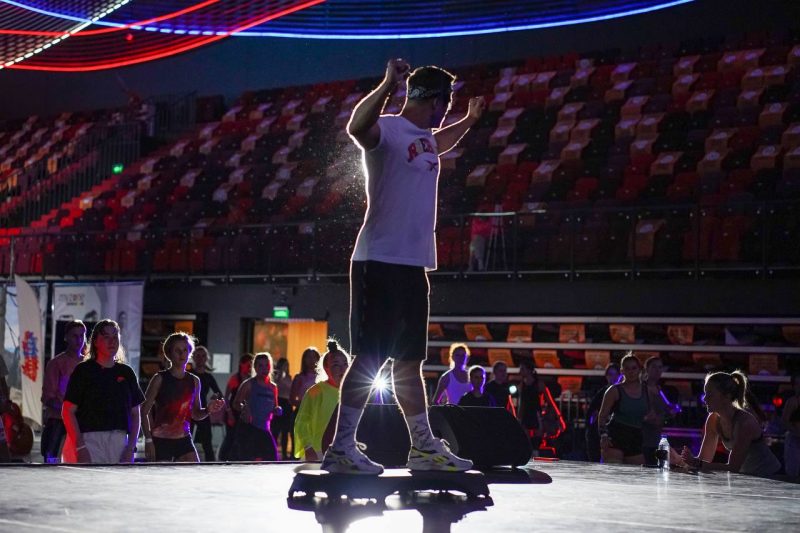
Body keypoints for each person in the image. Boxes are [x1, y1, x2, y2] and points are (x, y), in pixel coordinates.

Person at [321, 58, 485, 475]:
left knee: (409, 361)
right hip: (378, 260)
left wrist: (467, 121)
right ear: (427, 99)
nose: (445, 111)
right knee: (369, 359)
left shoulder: (427, 139)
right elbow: (355, 128)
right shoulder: (389, 129)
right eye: (444, 104)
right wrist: (387, 84)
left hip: (413, 266)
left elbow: (439, 143)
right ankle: (341, 447)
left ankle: (423, 447)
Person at [61, 319, 144, 464]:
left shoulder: (126, 372)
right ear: (95, 342)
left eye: (115, 336)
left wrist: (130, 447)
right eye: (106, 337)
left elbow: (136, 414)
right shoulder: (83, 371)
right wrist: (80, 447)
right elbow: (68, 411)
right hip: (90, 439)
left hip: (119, 440)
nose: (112, 341)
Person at [141, 333, 224, 462]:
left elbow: (195, 414)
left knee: (193, 476)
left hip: (184, 439)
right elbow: (143, 410)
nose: (181, 353)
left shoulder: (194, 380)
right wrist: (148, 440)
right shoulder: (160, 378)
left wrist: (208, 410)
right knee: (162, 480)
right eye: (177, 350)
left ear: (189, 352)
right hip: (162, 440)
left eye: (185, 350)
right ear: (169, 354)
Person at [680, 371, 781, 477]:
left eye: (710, 394)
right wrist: (682, 461)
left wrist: (696, 463)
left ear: (726, 396)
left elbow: (733, 468)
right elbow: (704, 459)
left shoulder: (744, 423)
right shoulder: (713, 419)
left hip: (772, 476)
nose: (705, 399)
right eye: (705, 394)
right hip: (749, 477)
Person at [294, 340, 351, 461]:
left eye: (345, 364)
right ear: (326, 368)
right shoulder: (316, 391)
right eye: (336, 365)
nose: (342, 368)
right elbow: (301, 422)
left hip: (345, 452)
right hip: (317, 452)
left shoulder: (353, 393)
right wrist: (308, 448)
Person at [41, 321, 88, 462]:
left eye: (82, 336)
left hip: (83, 420)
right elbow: (48, 397)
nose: (79, 340)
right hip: (59, 419)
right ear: (66, 337)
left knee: (83, 460)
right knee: (52, 460)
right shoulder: (56, 363)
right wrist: (68, 411)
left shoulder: (88, 364)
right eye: (74, 336)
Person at [597, 353, 651, 465]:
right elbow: (602, 416)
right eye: (627, 368)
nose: (631, 372)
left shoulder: (647, 390)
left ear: (640, 369)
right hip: (616, 436)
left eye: (634, 368)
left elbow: (657, 412)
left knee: (636, 477)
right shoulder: (614, 390)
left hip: (636, 436)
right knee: (614, 475)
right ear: (622, 371)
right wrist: (604, 436)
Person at [233, 352, 282, 461]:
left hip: (265, 429)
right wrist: (244, 409)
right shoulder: (249, 384)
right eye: (260, 365)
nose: (264, 368)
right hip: (249, 428)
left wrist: (277, 410)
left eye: (267, 365)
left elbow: (275, 406)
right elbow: (236, 403)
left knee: (272, 459)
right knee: (248, 462)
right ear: (255, 367)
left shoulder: (273, 387)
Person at [517, 358, 565, 452]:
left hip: (536, 415)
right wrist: (519, 419)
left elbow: (550, 401)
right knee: (525, 441)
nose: (520, 371)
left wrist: (559, 417)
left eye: (522, 369)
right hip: (526, 415)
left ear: (529, 370)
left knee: (537, 441)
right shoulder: (521, 385)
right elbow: (521, 404)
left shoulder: (539, 384)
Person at [641, 356, 681, 466]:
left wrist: (672, 411)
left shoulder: (659, 389)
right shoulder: (641, 388)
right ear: (646, 369)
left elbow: (666, 409)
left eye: (660, 367)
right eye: (654, 367)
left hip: (655, 437)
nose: (658, 370)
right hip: (643, 438)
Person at [189, 345, 222, 461]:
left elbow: (219, 393)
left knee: (207, 441)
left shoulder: (208, 377)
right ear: (193, 357)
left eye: (203, 356)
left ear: (206, 358)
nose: (200, 358)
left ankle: (211, 465)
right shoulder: (188, 374)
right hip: (188, 411)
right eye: (197, 356)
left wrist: (214, 398)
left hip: (203, 410)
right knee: (186, 440)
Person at [218, 353, 253, 461]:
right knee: (231, 436)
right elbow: (226, 397)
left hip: (244, 412)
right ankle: (223, 457)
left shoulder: (250, 380)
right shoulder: (234, 379)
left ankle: (238, 458)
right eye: (248, 364)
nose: (249, 367)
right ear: (241, 364)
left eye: (251, 365)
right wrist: (229, 413)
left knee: (242, 436)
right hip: (233, 411)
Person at [585, 363, 620, 462]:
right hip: (599, 432)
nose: (612, 377)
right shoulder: (602, 392)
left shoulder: (620, 392)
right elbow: (592, 413)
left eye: (614, 374)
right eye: (609, 374)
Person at [272, 357, 293, 460]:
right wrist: (280, 374)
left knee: (285, 431)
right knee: (275, 430)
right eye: (283, 365)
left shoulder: (289, 377)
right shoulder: (276, 376)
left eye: (286, 365)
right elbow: (275, 385)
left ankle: (284, 454)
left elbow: (291, 390)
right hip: (278, 402)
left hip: (287, 403)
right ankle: (274, 452)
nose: (285, 367)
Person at [782, 373, 800, 477]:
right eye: (797, 384)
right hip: (794, 440)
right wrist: (796, 433)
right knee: (793, 473)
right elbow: (785, 421)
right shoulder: (792, 401)